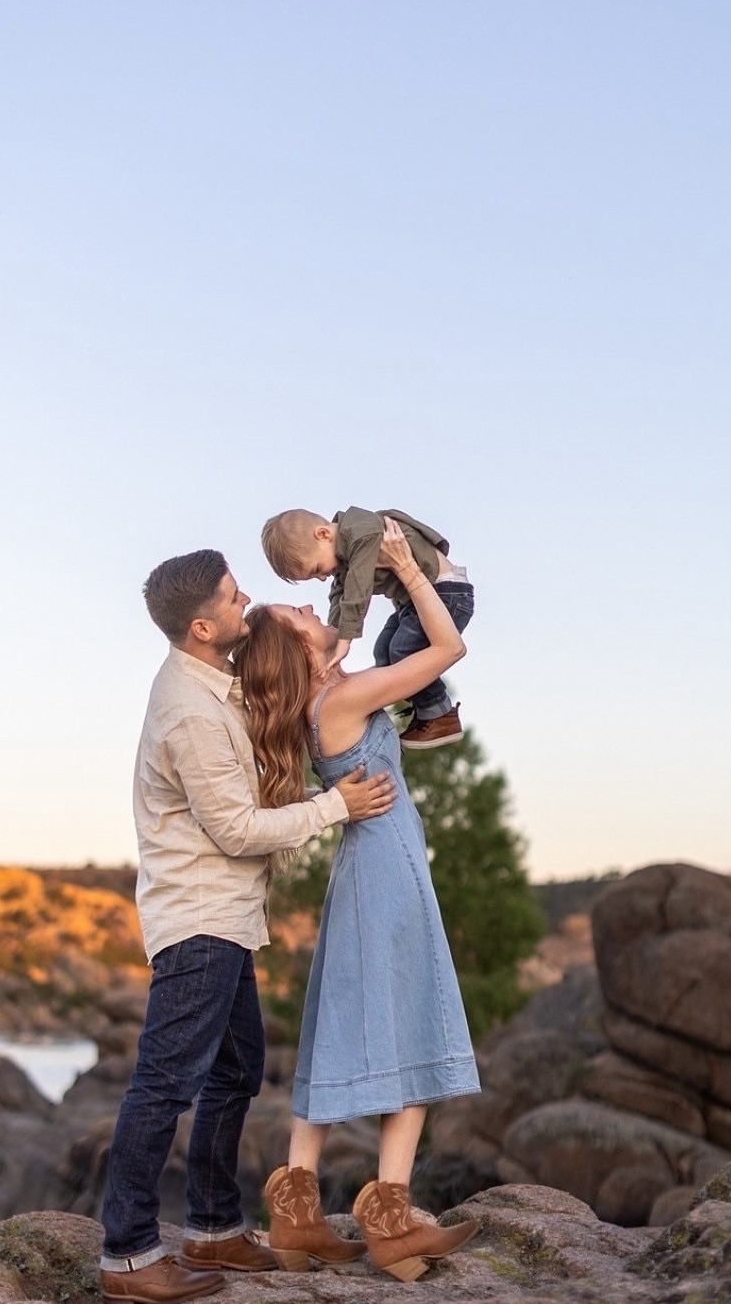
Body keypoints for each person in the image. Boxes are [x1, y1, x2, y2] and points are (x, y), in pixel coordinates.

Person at [98, 550, 397, 1304]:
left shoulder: (213, 682)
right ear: (202, 626)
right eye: (234, 599)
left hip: (224, 916)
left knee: (236, 1070)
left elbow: (292, 679)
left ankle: (211, 1227)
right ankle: (128, 1254)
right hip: (198, 918)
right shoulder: (190, 712)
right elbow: (234, 828)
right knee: (164, 1083)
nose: (247, 602)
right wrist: (338, 806)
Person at [234, 518, 482, 1282]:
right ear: (297, 651)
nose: (314, 612)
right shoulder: (339, 702)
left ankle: (298, 1211)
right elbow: (448, 649)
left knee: (340, 1023)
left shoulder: (321, 708)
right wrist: (409, 571)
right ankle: (392, 1218)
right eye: (299, 617)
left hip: (365, 868)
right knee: (409, 1028)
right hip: (386, 871)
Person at [260, 505, 473, 750]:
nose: (321, 578)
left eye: (317, 570)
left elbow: (358, 589)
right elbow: (341, 593)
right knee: (384, 651)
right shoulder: (343, 550)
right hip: (413, 602)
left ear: (323, 534)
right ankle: (426, 707)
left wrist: (345, 639)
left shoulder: (360, 532)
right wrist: (334, 633)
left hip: (446, 592)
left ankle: (439, 712)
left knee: (402, 650)